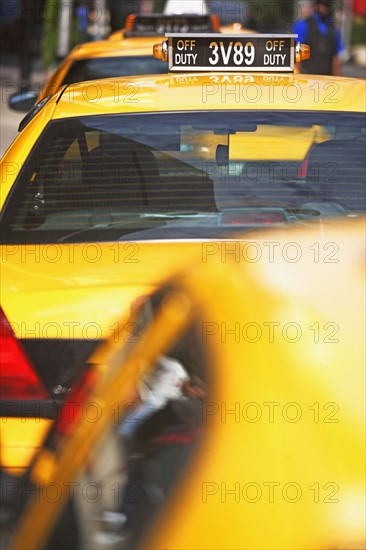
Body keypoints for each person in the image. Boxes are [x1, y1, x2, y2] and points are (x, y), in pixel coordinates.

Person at [293, 0, 344, 75]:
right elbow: (296, 53)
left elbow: (336, 58)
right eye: (322, 3)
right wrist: (298, 76)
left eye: (327, 4)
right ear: (316, 4)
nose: (324, 7)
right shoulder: (303, 25)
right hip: (306, 78)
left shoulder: (334, 30)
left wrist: (338, 79)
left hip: (327, 79)